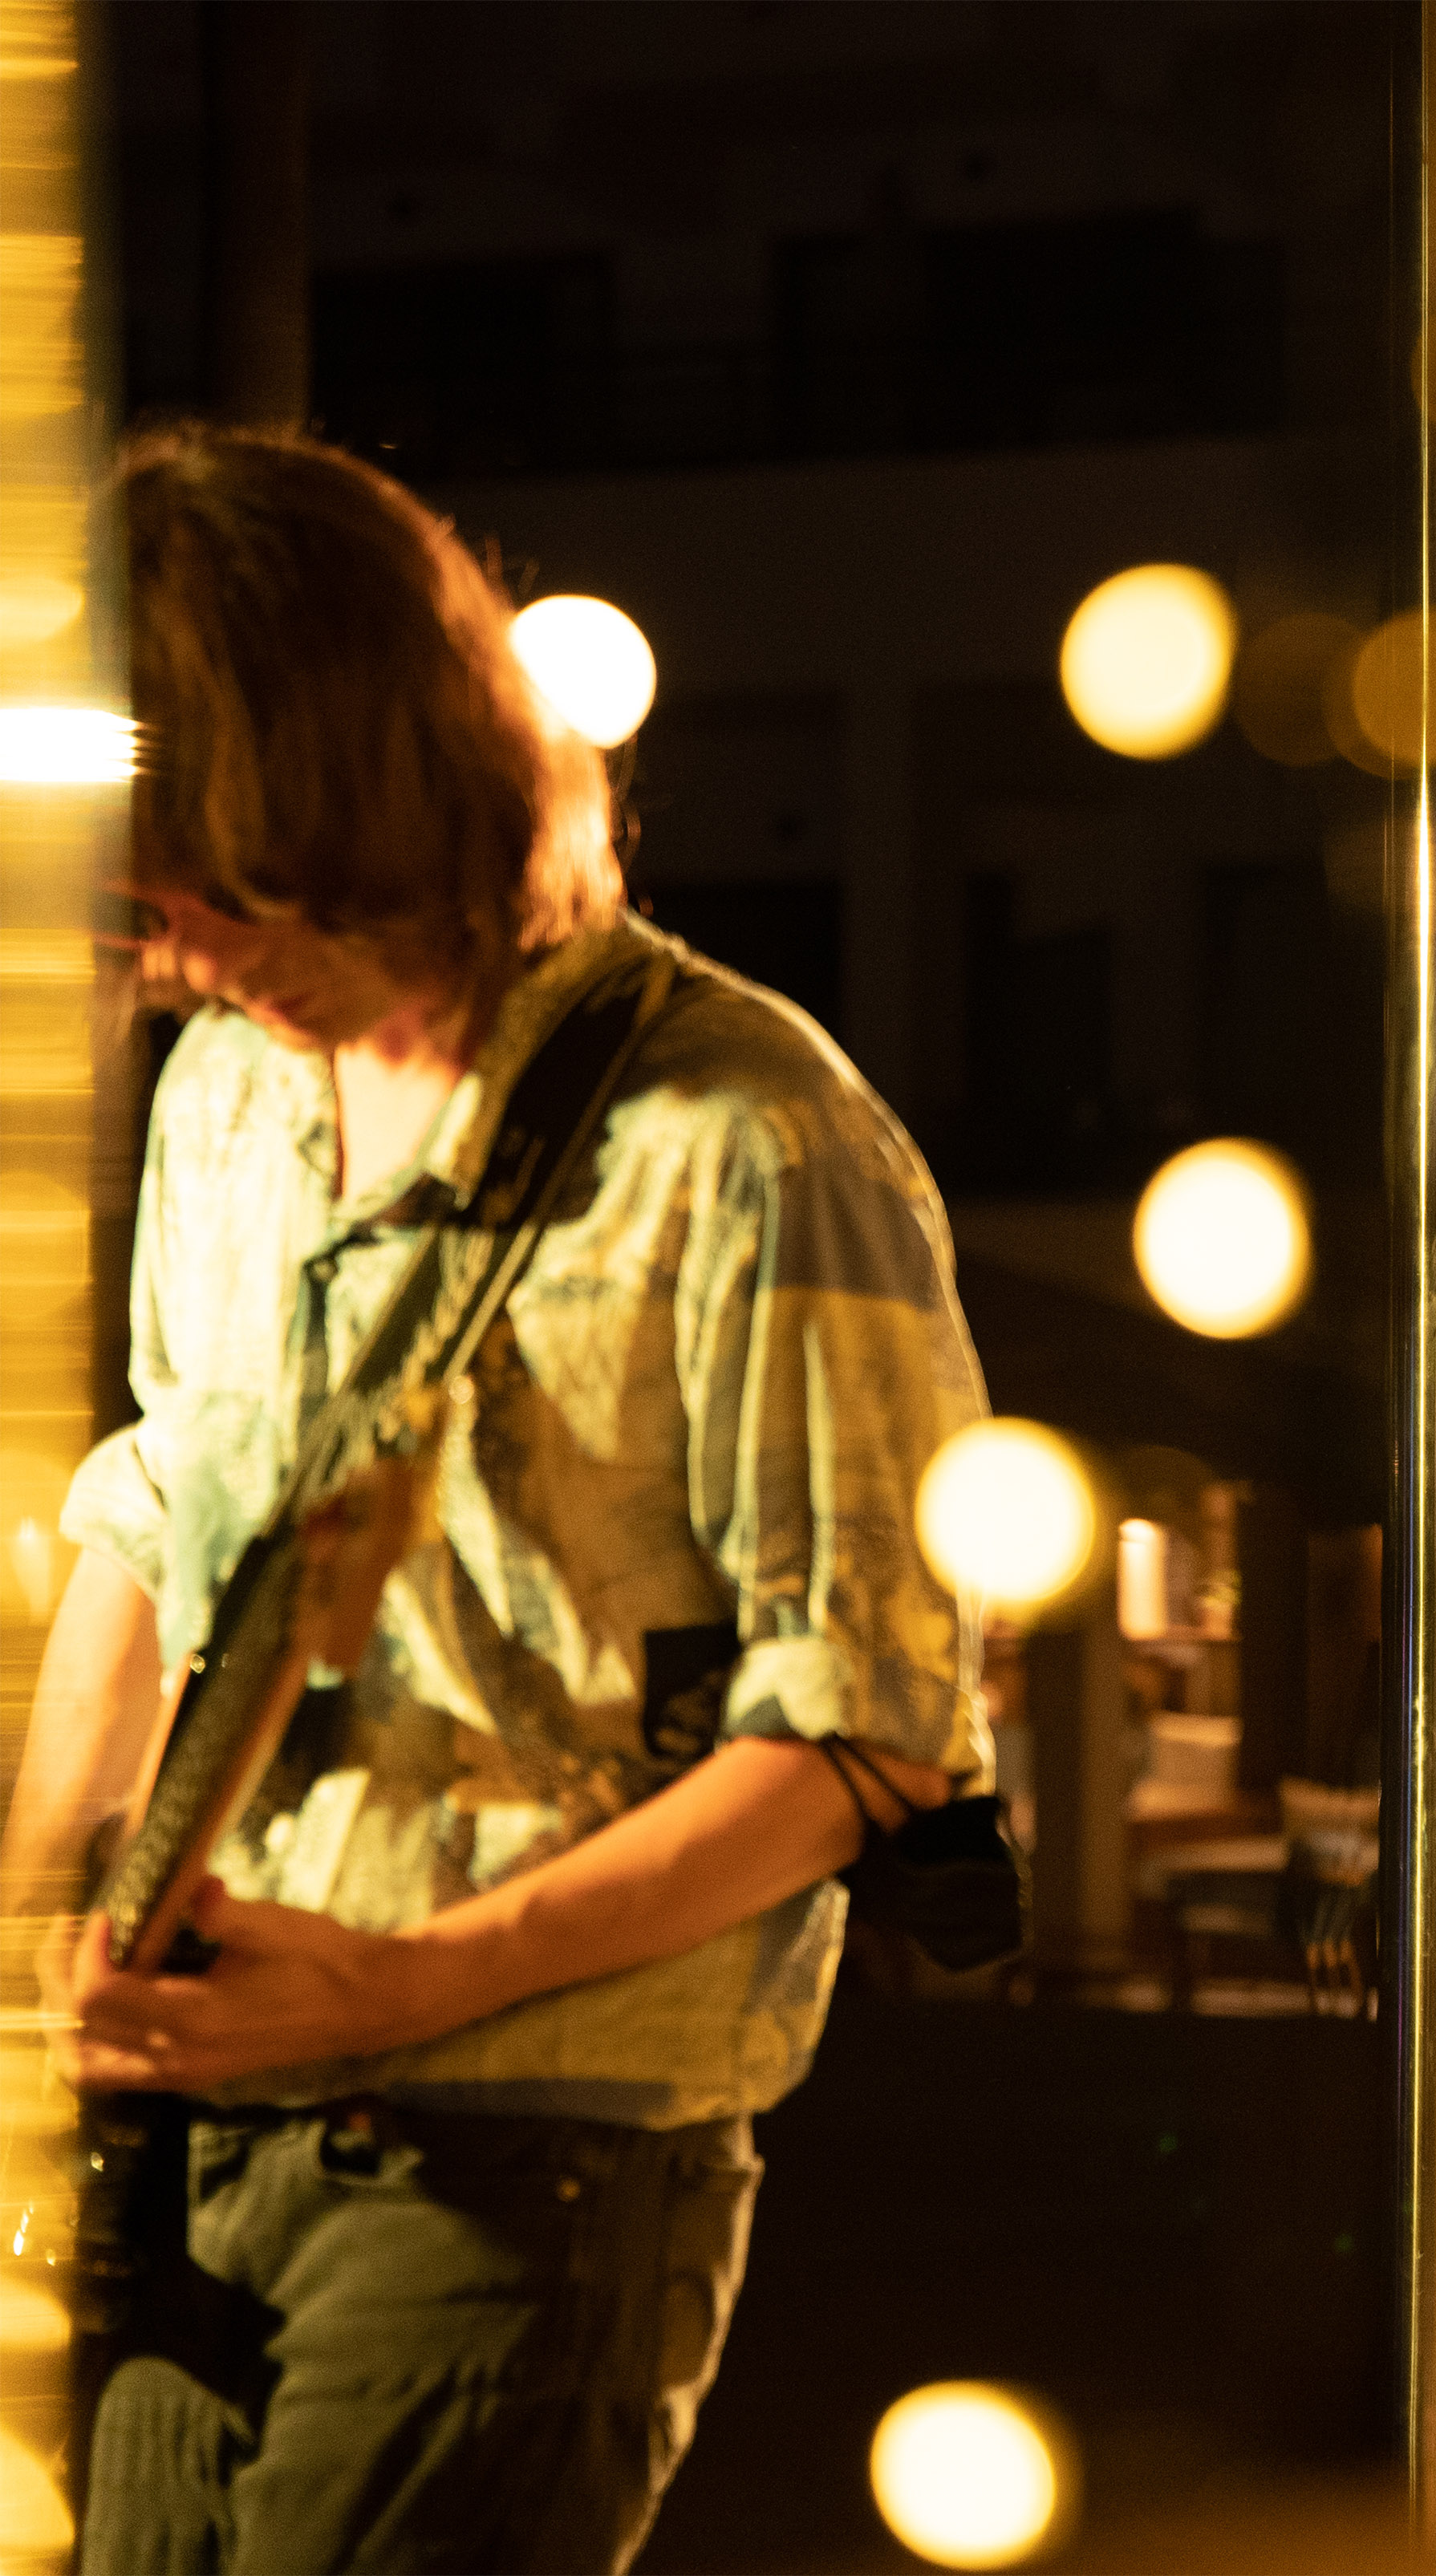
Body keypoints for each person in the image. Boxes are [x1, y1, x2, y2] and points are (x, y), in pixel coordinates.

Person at [1, 424, 991, 2569]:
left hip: (534, 2158)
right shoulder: (226, 1099)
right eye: (137, 892)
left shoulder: (750, 1130)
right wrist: (31, 1951)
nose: (165, 941)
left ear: (354, 780)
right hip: (188, 2130)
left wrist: (397, 1980)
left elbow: (876, 1739)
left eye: (206, 879)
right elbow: (154, 1528)